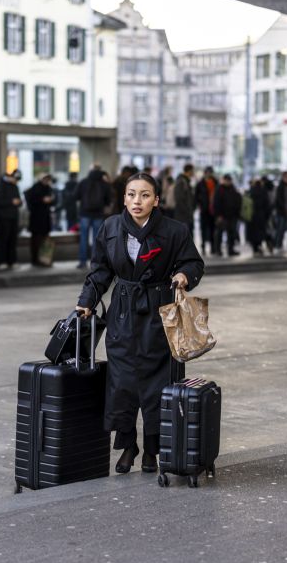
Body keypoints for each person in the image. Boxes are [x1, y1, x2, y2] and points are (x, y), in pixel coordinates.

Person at [76, 172, 204, 474]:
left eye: (145, 195)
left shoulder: (175, 230)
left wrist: (184, 275)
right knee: (121, 383)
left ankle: (152, 449)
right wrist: (86, 301)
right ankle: (128, 445)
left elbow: (194, 262)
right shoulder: (110, 228)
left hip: (160, 314)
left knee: (158, 384)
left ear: (156, 200)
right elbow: (100, 271)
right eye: (132, 194)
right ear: (124, 198)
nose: (137, 201)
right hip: (122, 312)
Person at [76, 168, 111, 269]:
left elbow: (76, 196)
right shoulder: (104, 184)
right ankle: (95, 262)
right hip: (98, 215)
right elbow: (108, 200)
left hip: (85, 214)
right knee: (97, 239)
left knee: (83, 238)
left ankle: (82, 262)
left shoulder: (83, 182)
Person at [0, 170, 22, 270]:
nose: (16, 181)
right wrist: (11, 201)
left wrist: (19, 202)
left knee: (13, 240)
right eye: (15, 179)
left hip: (13, 217)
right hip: (3, 218)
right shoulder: (1, 187)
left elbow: (19, 201)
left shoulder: (15, 187)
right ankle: (2, 261)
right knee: (3, 240)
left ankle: (12, 260)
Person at [25, 173, 55, 267]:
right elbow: (30, 200)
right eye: (45, 179)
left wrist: (51, 201)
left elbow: (54, 200)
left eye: (48, 179)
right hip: (36, 218)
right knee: (36, 240)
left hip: (45, 218)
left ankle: (44, 259)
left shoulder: (49, 189)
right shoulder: (34, 189)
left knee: (45, 240)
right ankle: (35, 259)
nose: (47, 181)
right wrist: (42, 200)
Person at [213, 174, 242, 257]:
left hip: (232, 215)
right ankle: (218, 250)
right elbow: (216, 203)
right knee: (219, 233)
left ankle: (230, 250)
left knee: (231, 233)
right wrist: (218, 215)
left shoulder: (233, 189)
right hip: (222, 216)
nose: (228, 182)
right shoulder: (219, 189)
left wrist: (237, 213)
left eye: (229, 180)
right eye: (226, 180)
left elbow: (237, 200)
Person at [194, 167, 217, 254]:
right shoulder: (200, 184)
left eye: (210, 172)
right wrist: (198, 205)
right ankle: (203, 247)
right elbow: (196, 196)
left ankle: (213, 247)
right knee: (203, 228)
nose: (209, 174)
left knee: (212, 228)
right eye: (207, 172)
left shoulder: (216, 182)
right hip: (204, 209)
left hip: (214, 210)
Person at [245, 177, 271, 256]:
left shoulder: (250, 191)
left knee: (253, 233)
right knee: (260, 233)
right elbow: (267, 205)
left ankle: (255, 248)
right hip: (261, 215)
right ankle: (259, 246)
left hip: (251, 215)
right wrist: (267, 215)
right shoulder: (263, 191)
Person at [273, 171, 287, 253]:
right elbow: (279, 200)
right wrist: (284, 208)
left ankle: (280, 245)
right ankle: (277, 246)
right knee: (280, 229)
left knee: (283, 230)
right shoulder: (281, 187)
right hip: (281, 212)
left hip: (286, 212)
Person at [173, 164, 195, 235]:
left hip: (186, 214)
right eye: (192, 171)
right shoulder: (181, 182)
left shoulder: (186, 181)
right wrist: (186, 211)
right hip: (182, 215)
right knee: (184, 236)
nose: (193, 173)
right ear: (189, 171)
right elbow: (179, 199)